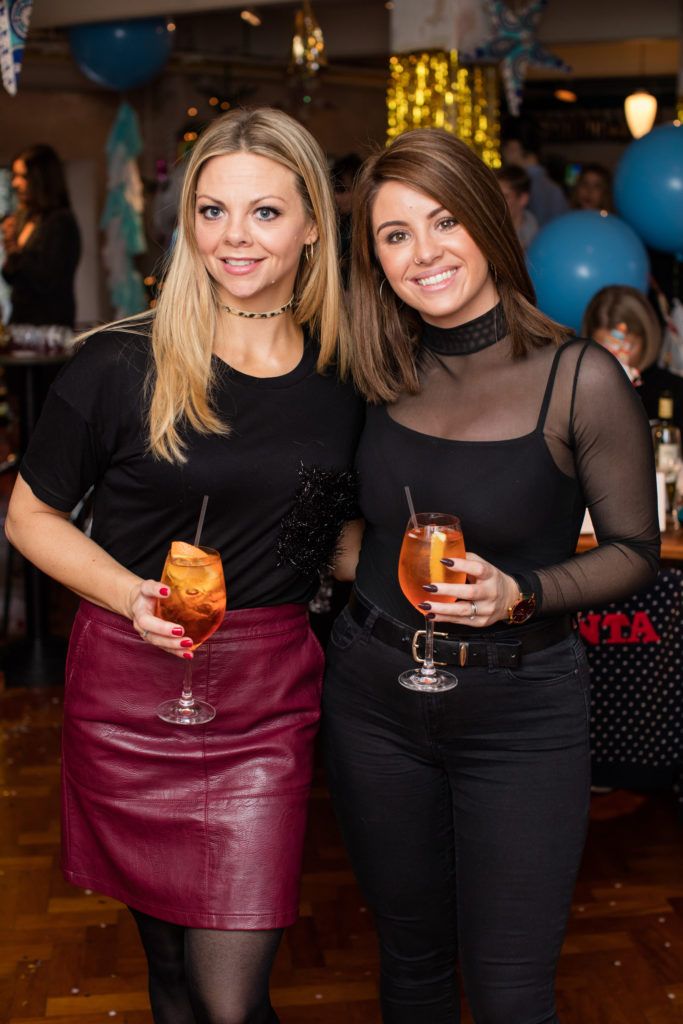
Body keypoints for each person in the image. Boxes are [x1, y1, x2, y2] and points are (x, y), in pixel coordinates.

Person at [5, 108, 364, 1024]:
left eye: (265, 213)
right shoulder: (120, 362)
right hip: (131, 688)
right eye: (213, 212)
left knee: (230, 998)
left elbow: (332, 532)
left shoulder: (348, 372)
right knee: (170, 978)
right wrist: (131, 597)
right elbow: (29, 515)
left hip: (266, 696)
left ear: (313, 222)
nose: (233, 238)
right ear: (186, 220)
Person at [323, 128, 660, 1023]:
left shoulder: (578, 378)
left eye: (442, 221)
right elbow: (334, 507)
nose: (423, 252)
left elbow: (634, 548)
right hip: (370, 696)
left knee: (512, 997)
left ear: (487, 221)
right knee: (411, 968)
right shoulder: (371, 370)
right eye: (394, 235)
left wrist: (525, 593)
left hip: (521, 710)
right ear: (374, 258)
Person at [1, 143, 81, 327]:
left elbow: (46, 279)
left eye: (23, 176)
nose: (15, 183)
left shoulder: (60, 222)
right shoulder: (28, 218)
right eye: (14, 176)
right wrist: (10, 246)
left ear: (41, 178)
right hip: (21, 321)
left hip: (48, 326)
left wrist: (16, 250)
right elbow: (12, 277)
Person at [582, 283, 683, 428]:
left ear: (647, 339)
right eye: (603, 349)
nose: (615, 359)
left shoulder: (674, 392)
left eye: (625, 348)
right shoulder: (577, 394)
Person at [501, 118, 569, 227]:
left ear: (514, 146)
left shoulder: (519, 185)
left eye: (504, 146)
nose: (503, 153)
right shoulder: (554, 189)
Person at [331, 152, 362, 288]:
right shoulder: (339, 224)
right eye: (334, 190)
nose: (335, 197)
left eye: (341, 190)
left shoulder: (365, 230)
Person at [494, 164, 538, 249]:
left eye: (505, 196)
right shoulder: (488, 228)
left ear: (523, 199)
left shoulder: (534, 238)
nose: (496, 201)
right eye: (494, 195)